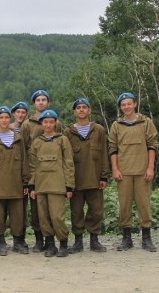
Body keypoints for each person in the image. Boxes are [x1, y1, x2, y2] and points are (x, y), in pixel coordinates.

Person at [108, 92, 159, 252]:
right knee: (124, 205)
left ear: (135, 104)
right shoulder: (116, 125)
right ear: (120, 107)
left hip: (143, 170)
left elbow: (152, 145)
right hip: (124, 171)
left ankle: (146, 238)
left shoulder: (146, 122)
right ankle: (126, 238)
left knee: (144, 204)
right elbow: (113, 149)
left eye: (129, 103)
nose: (126, 107)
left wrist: (150, 167)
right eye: (123, 105)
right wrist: (115, 169)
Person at [63, 98, 110, 253]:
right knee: (76, 211)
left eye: (84, 107)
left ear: (89, 110)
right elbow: (65, 158)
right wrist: (67, 181)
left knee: (96, 210)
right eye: (78, 107)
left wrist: (104, 176)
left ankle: (94, 240)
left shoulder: (99, 130)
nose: (81, 110)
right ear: (74, 112)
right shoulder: (68, 132)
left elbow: (104, 154)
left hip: (95, 178)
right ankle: (78, 241)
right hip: (75, 179)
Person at [0, 106, 29, 256]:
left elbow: (24, 161)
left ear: (10, 119)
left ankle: (18, 241)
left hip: (16, 184)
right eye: (1, 117)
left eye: (7, 117)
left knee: (17, 215)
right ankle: (0, 242)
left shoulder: (18, 138)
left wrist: (25, 181)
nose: (4, 120)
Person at [28, 109, 74, 257]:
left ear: (55, 123)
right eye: (45, 122)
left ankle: (63, 244)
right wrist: (32, 186)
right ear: (41, 123)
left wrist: (69, 185)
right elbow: (33, 166)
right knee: (44, 217)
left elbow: (68, 163)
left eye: (51, 122)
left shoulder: (62, 140)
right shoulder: (37, 142)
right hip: (41, 185)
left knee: (57, 217)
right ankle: (50, 245)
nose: (48, 124)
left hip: (57, 185)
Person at [20, 90, 62, 252]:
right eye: (38, 100)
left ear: (48, 102)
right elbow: (23, 150)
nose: (41, 102)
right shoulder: (27, 124)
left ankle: (52, 241)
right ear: (34, 103)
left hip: (53, 171)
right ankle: (39, 240)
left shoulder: (56, 123)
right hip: (34, 170)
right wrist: (27, 178)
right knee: (37, 209)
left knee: (53, 210)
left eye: (44, 99)